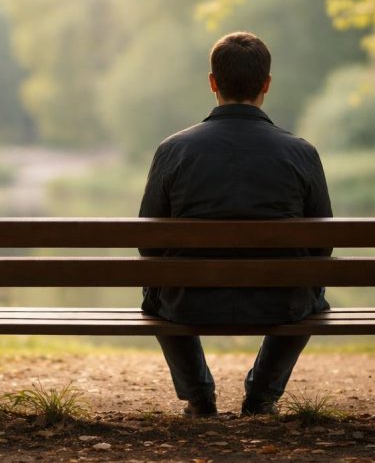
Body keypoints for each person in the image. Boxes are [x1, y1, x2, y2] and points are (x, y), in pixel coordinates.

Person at [138, 31, 333, 417]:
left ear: (213, 82)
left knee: (156, 288)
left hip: (190, 302)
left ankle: (198, 396)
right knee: (312, 287)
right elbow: (321, 244)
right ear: (266, 85)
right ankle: (261, 395)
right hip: (280, 301)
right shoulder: (301, 152)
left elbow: (148, 241)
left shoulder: (173, 150)